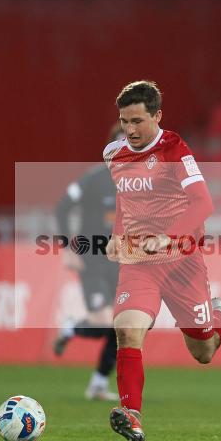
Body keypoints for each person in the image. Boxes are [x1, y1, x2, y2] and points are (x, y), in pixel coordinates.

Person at [103, 80, 221, 441]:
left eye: (138, 121)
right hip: (138, 262)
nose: (130, 130)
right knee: (127, 331)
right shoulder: (113, 153)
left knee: (204, 352)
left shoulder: (175, 150)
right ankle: (132, 414)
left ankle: (219, 316)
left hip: (181, 262)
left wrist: (168, 235)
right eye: (124, 121)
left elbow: (203, 204)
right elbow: (124, 201)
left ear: (157, 116)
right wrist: (117, 234)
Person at [51, 124, 124, 401]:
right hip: (92, 259)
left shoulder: (137, 183)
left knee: (124, 325)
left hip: (121, 261)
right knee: (105, 322)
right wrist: (67, 248)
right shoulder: (92, 179)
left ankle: (98, 384)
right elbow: (62, 207)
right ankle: (71, 327)